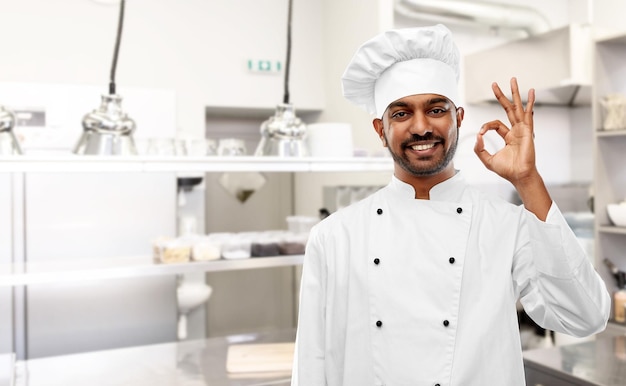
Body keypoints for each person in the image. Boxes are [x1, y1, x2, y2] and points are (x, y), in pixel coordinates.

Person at [291, 24, 610, 385]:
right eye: (401, 113)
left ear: (458, 119)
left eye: (436, 109)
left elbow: (587, 317)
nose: (421, 127)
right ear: (380, 130)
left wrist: (528, 180)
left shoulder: (506, 225)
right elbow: (312, 365)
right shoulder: (335, 237)